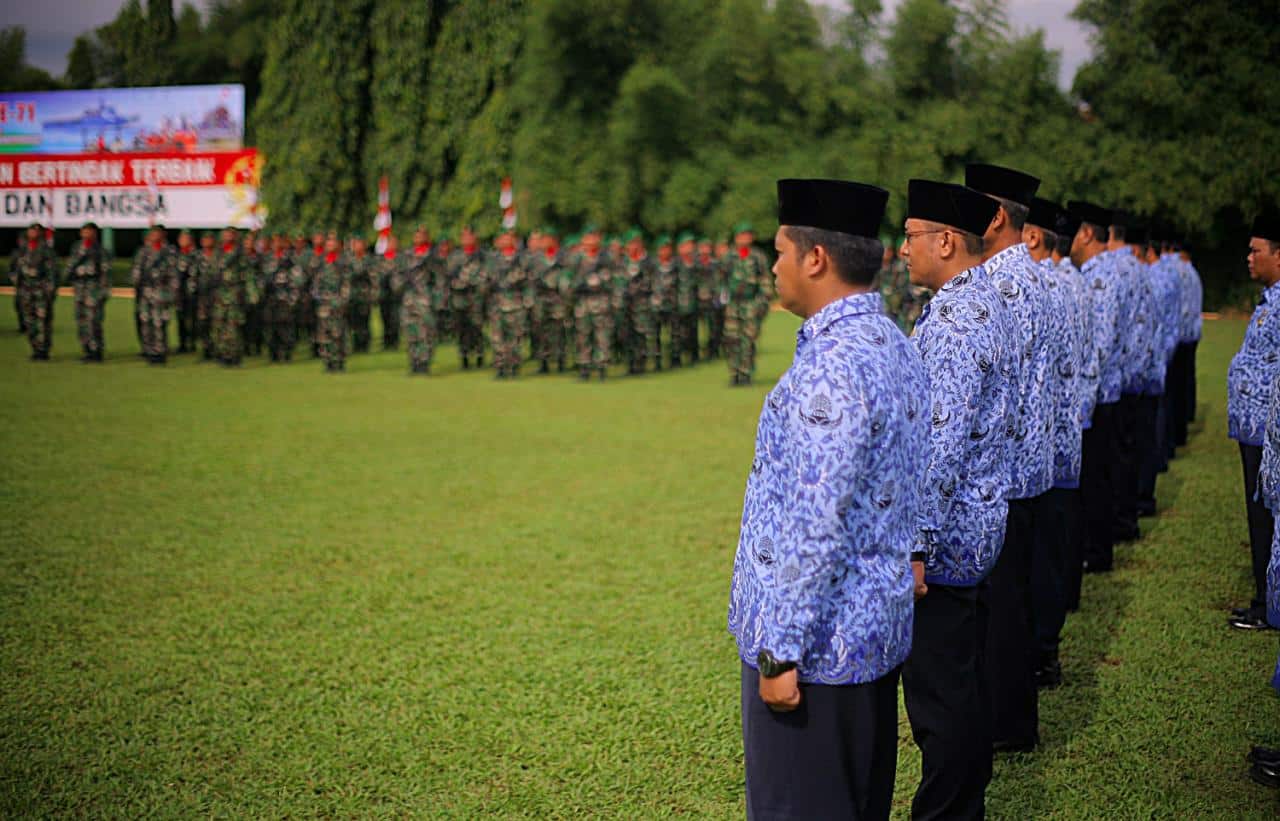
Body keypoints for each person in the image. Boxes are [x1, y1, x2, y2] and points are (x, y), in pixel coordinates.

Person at [729, 178, 927, 820]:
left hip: (817, 653)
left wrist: (780, 649)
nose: (774, 265)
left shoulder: (832, 365)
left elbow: (814, 522)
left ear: (816, 258)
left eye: (781, 251)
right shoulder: (889, 340)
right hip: (867, 638)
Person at [899, 179, 1017, 819]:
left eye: (912, 236)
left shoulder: (953, 319)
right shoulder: (985, 301)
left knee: (941, 698)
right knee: (962, 686)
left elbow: (937, 446)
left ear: (945, 240)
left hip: (944, 539)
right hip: (978, 522)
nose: (902, 250)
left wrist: (914, 543)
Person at [965, 162, 1060, 753]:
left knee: (1001, 611)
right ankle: (1012, 719)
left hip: (1004, 472)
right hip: (1028, 466)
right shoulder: (1033, 275)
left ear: (995, 217)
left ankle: (1007, 725)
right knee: (1012, 603)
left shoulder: (1001, 284)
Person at [1022, 197, 1083, 689]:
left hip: (1042, 447)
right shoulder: (1068, 282)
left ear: (1034, 237)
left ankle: (1041, 653)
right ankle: (1044, 652)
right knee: (1051, 555)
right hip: (1059, 443)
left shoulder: (1043, 284)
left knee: (1040, 563)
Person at [1227, 211, 1280, 630]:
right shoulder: (1269, 301)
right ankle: (1264, 597)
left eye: (1256, 250)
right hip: (1253, 428)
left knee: (1266, 517)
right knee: (1257, 515)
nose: (1249, 257)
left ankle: (1268, 604)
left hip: (1267, 431)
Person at [1068, 201, 1125, 578]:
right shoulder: (1096, 272)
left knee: (1096, 480)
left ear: (1086, 233)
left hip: (1097, 396)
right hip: (1101, 393)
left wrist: (1081, 405)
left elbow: (1098, 347)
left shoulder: (1099, 277)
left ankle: (1097, 551)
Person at [723, 222, 772, 386]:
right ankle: (734, 373)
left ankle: (746, 373)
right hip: (733, 305)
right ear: (736, 238)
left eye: (748, 234)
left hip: (751, 304)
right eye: (742, 235)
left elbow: (766, 281)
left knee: (748, 340)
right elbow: (721, 280)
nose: (745, 238)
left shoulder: (758, 257)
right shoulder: (728, 257)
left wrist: (763, 302)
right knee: (731, 339)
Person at [65, 222, 112, 362]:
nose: (86, 234)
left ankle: (96, 350)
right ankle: (86, 349)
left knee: (93, 321)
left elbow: (105, 273)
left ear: (95, 234)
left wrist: (103, 292)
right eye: (84, 231)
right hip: (80, 289)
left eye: (89, 231)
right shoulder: (76, 248)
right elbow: (70, 267)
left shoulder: (100, 250)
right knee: (81, 321)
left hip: (94, 289)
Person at [487, 230, 532, 379]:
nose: (505, 241)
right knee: (497, 337)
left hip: (516, 303)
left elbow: (529, 283)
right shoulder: (493, 259)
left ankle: (513, 367)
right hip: (497, 303)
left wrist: (528, 302)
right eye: (503, 238)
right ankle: (500, 367)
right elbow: (484, 282)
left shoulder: (522, 259)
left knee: (515, 337)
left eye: (509, 238)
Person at [572, 226, 613, 381]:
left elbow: (612, 280)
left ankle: (602, 368)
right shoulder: (577, 259)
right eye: (587, 238)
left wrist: (601, 282)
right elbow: (569, 278)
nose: (590, 241)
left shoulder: (605, 258)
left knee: (602, 336)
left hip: (601, 303)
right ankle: (584, 369)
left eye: (593, 237)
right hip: (583, 303)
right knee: (583, 337)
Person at [133, 225, 178, 365]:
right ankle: (149, 351)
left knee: (160, 324)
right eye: (153, 233)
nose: (155, 235)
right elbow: (136, 271)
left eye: (157, 233)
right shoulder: (144, 251)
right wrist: (137, 287)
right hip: (146, 293)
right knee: (146, 323)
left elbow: (174, 275)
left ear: (163, 234)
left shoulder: (169, 252)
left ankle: (160, 352)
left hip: (162, 292)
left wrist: (172, 294)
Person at [13, 223, 58, 360]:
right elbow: (15, 269)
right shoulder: (22, 250)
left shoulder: (46, 250)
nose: (33, 233)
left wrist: (50, 291)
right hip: (26, 291)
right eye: (31, 230)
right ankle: (35, 348)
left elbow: (52, 273)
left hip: (41, 291)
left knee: (43, 322)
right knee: (29, 321)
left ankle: (43, 350)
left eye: (36, 231)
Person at [401, 229, 441, 375]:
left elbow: (440, 280)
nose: (419, 237)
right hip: (409, 301)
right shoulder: (406, 255)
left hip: (425, 300)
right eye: (416, 234)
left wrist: (437, 300)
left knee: (426, 333)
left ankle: (424, 363)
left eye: (422, 234)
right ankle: (414, 362)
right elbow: (398, 274)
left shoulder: (432, 256)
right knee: (411, 333)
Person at [448, 226, 488, 369]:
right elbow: (450, 276)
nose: (467, 239)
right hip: (459, 298)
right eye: (464, 236)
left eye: (469, 236)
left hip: (476, 297)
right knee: (462, 328)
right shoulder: (455, 256)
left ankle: (479, 355)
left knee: (476, 327)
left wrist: (475, 283)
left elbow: (485, 275)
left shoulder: (482, 255)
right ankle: (464, 356)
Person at [262, 233, 306, 362]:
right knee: (271, 329)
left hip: (286, 300)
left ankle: (287, 354)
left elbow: (298, 280)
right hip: (271, 300)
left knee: (286, 329)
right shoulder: (267, 260)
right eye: (274, 242)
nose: (277, 245)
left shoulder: (290, 260)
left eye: (279, 242)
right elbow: (261, 279)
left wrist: (292, 298)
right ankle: (273, 354)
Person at [313, 232, 351, 373]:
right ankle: (327, 362)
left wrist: (341, 301)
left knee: (338, 335)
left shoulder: (343, 263)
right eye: (328, 242)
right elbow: (315, 286)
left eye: (333, 242)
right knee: (324, 335)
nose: (330, 244)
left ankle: (339, 363)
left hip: (337, 305)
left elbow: (346, 285)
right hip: (324, 306)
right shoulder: (321, 263)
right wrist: (320, 298)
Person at [173, 229, 200, 353]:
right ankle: (182, 343)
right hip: (179, 291)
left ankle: (192, 342)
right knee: (180, 318)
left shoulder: (196, 255)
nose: (183, 241)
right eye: (182, 238)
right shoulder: (176, 255)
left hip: (192, 291)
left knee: (193, 318)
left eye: (186, 238)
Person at [378, 233, 404, 350]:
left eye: (393, 242)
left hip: (396, 295)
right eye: (389, 242)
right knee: (385, 317)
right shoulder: (381, 259)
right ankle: (386, 340)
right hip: (384, 294)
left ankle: (394, 341)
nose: (391, 245)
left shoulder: (401, 259)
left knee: (395, 318)